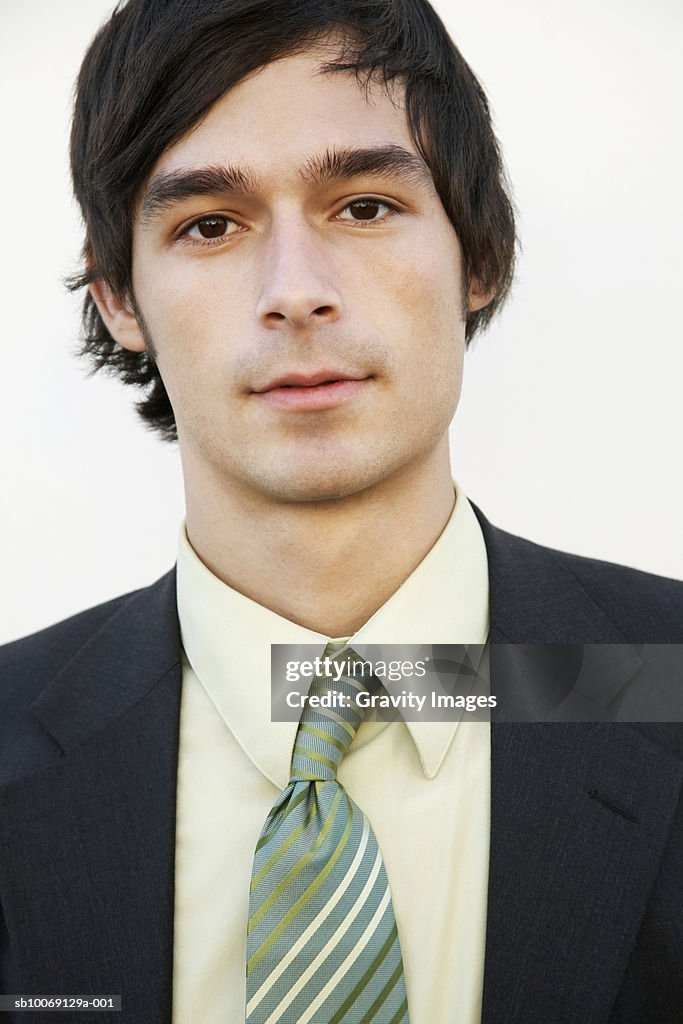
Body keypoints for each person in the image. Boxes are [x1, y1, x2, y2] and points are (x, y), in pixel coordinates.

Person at [1, 1, 681, 1022]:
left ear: (479, 253)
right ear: (117, 298)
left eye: (362, 206)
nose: (294, 291)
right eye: (209, 224)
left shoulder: (659, 682)